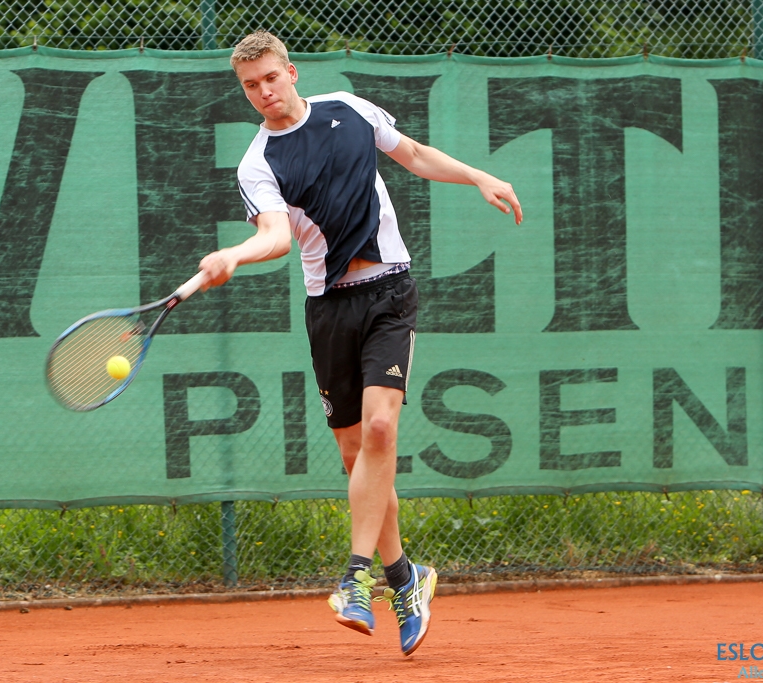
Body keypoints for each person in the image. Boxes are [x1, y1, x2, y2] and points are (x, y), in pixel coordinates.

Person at [198, 30, 523, 656]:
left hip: (389, 291)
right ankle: (405, 577)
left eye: (271, 78)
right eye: (250, 86)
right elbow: (276, 236)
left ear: (291, 72)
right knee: (357, 461)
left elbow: (415, 154)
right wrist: (236, 254)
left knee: (379, 430)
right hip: (328, 308)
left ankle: (355, 577)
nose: (264, 92)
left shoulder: (348, 110)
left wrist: (478, 176)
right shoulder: (257, 163)